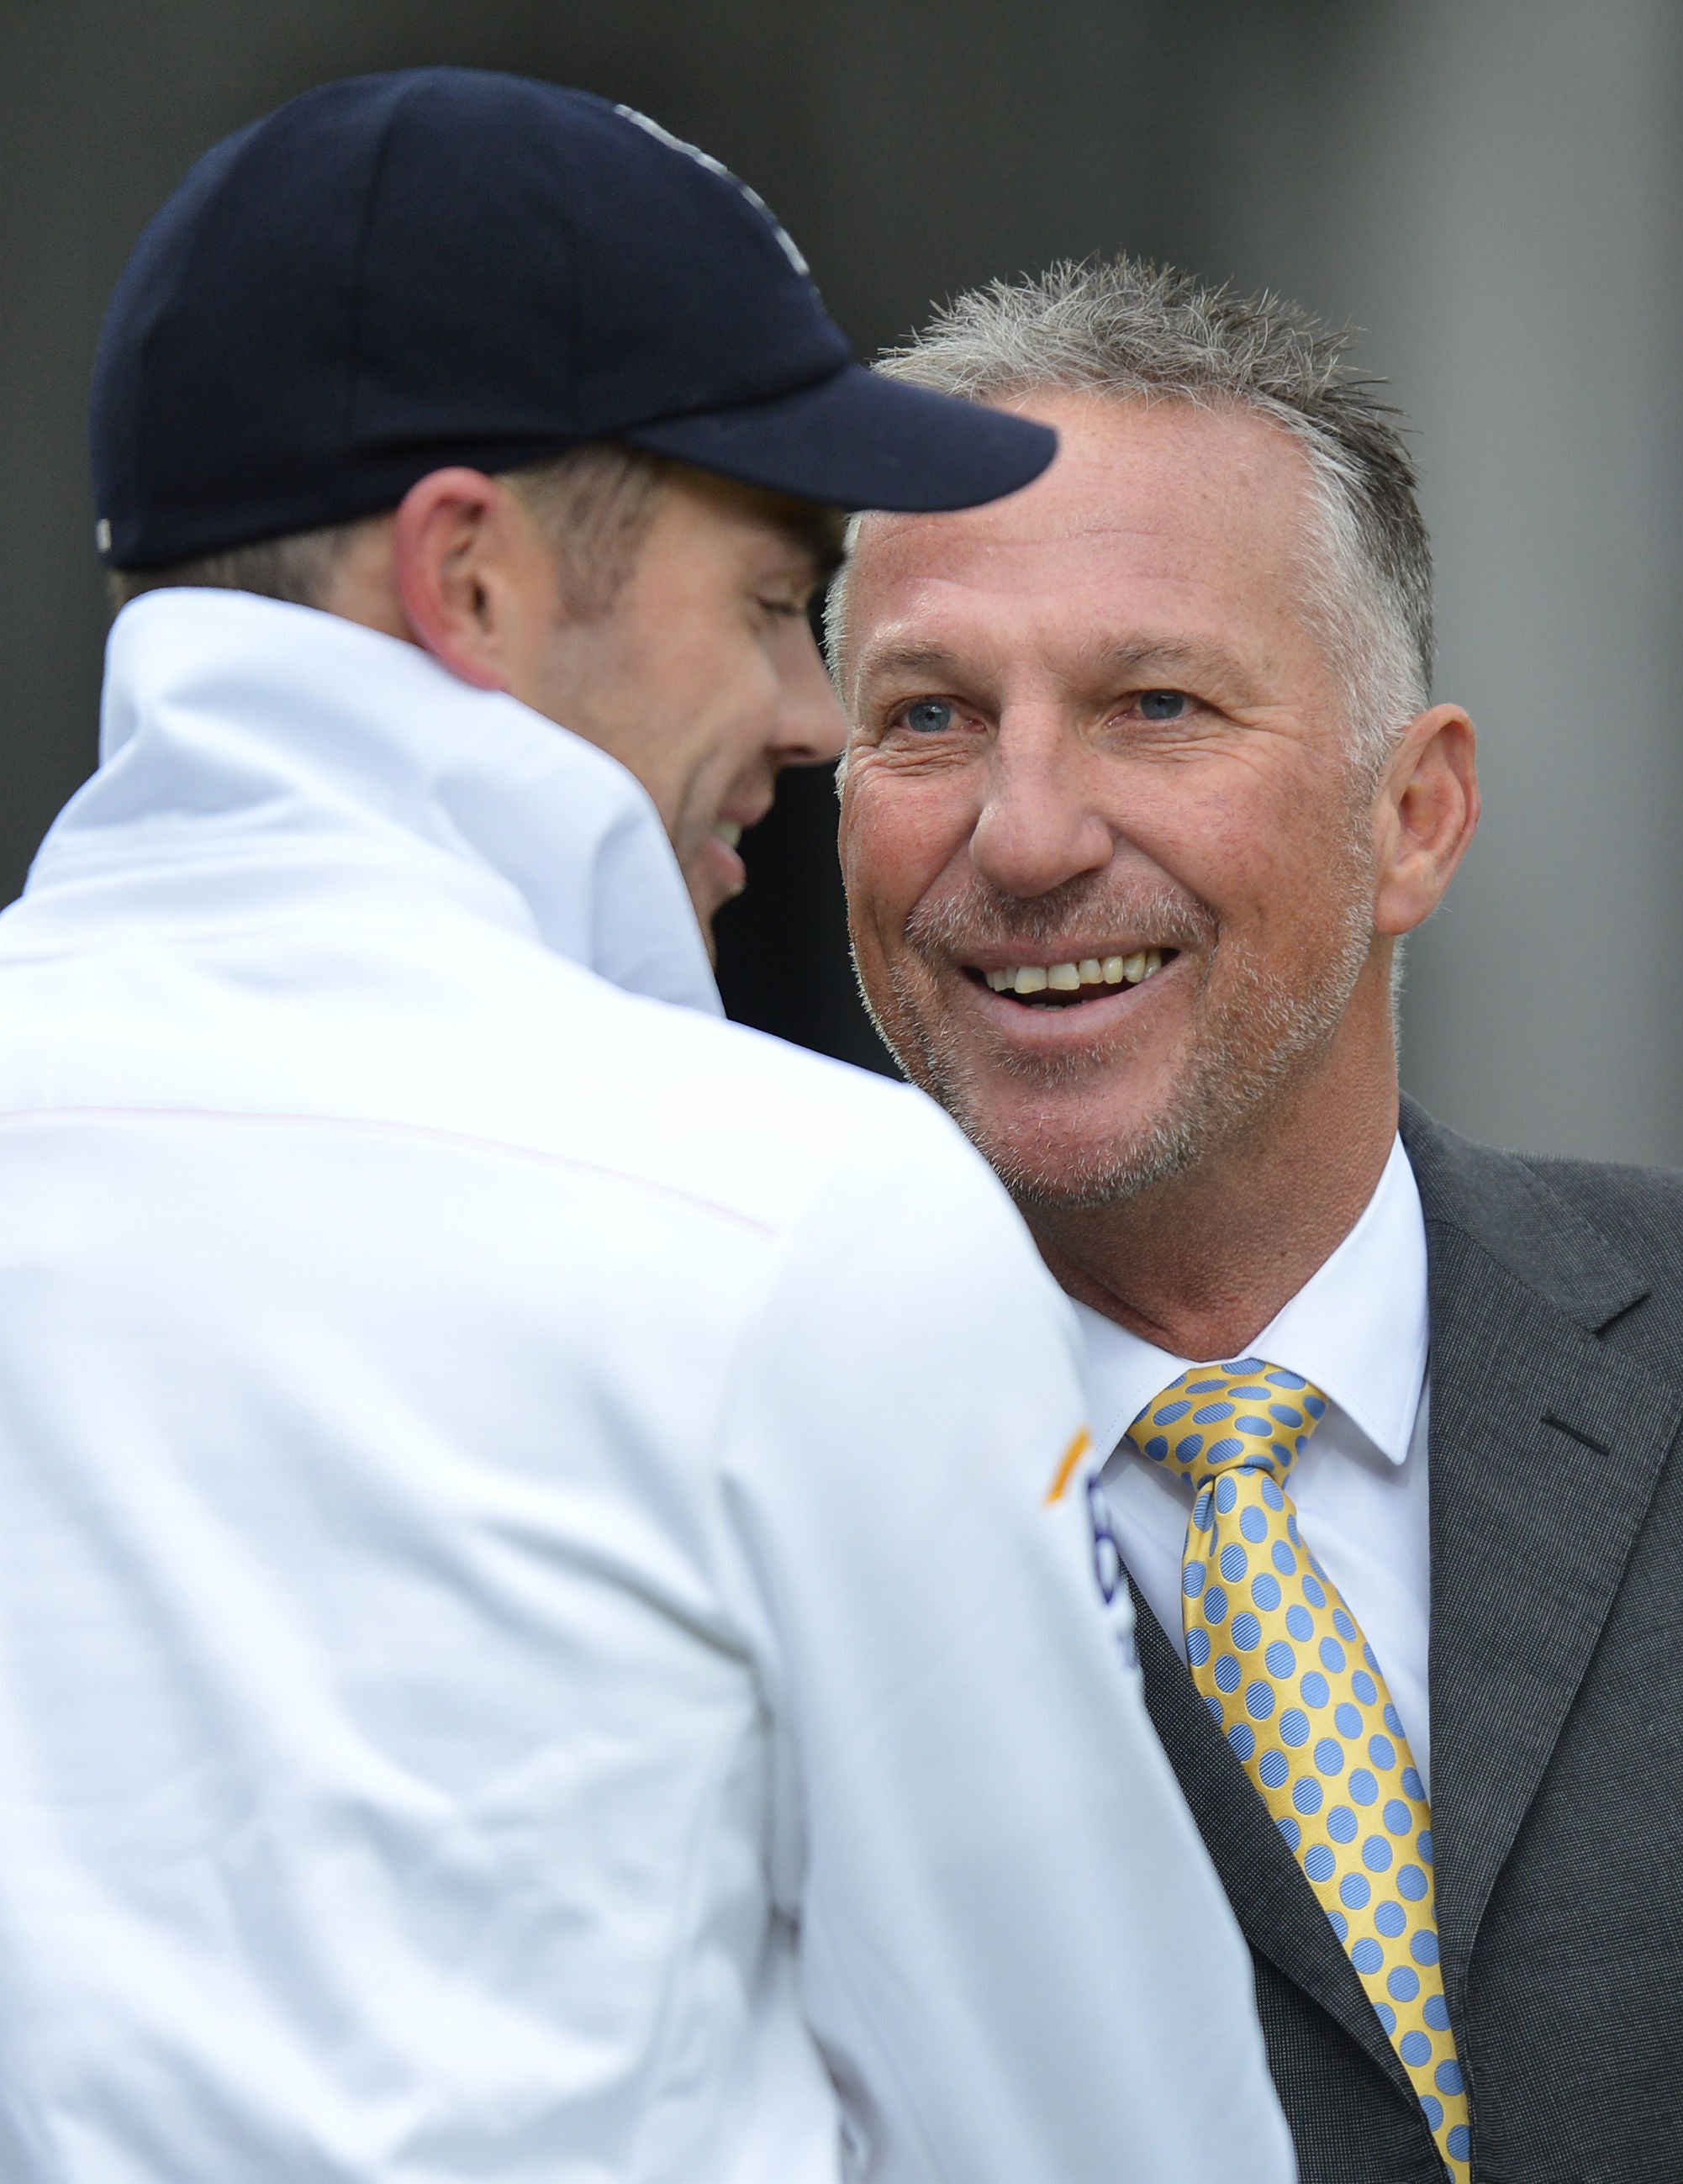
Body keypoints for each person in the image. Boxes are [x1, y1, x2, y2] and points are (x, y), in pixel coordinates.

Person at [0, 84, 1295, 2184]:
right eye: (771, 602)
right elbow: (1103, 2140)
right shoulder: (800, 1221)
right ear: (472, 583)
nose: (810, 714)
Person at [835, 254, 1683, 2184]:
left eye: (1151, 703)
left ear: (1415, 818)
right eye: (928, 718)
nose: (1025, 835)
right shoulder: (698, 1492)